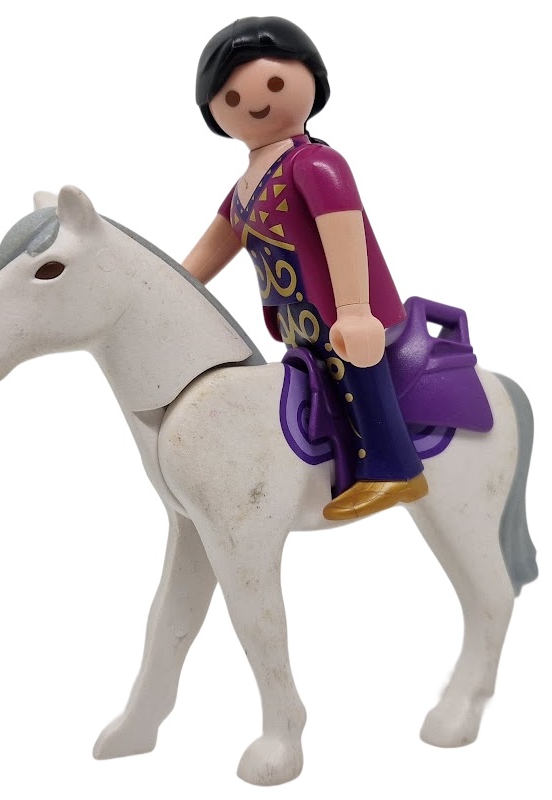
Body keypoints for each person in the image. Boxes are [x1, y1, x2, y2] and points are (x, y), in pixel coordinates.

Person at [184, 16, 427, 520]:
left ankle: (396, 469)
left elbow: (345, 234)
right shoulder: (243, 190)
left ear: (311, 79)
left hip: (341, 312)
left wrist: (355, 311)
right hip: (296, 318)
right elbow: (206, 254)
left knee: (355, 368)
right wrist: (169, 288)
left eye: (275, 84)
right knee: (316, 384)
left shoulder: (314, 164)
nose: (253, 103)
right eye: (231, 97)